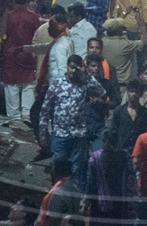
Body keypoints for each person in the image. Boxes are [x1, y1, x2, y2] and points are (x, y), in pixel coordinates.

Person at [42, 54, 105, 191]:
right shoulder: (57, 84)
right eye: (71, 67)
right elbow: (46, 108)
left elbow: (101, 91)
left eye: (76, 68)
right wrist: (43, 132)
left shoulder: (85, 83)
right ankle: (57, 197)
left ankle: (76, 202)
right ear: (67, 67)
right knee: (58, 167)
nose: (73, 71)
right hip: (60, 133)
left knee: (78, 170)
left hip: (79, 135)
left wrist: (87, 75)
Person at [0, 0, 43, 126]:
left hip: (11, 56)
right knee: (28, 84)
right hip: (28, 56)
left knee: (11, 85)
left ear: (13, 1)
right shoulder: (33, 17)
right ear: (26, 1)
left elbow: (2, 37)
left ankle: (14, 116)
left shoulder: (8, 17)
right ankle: (26, 114)